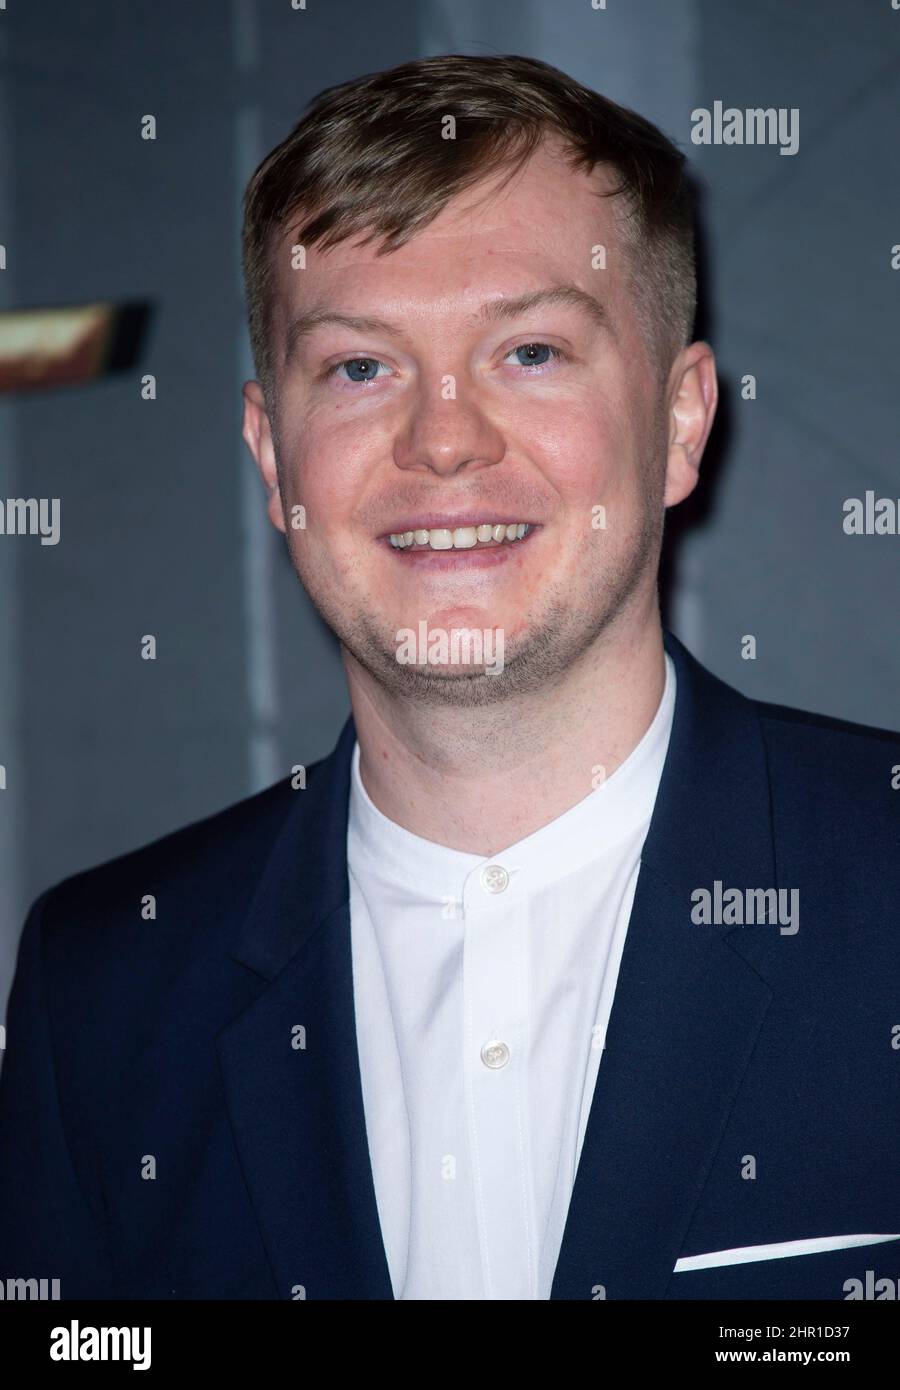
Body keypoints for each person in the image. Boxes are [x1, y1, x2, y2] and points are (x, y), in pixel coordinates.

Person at [1, 53, 898, 1302]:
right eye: (361, 367)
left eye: (529, 350)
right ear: (274, 456)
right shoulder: (102, 993)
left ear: (681, 423)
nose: (443, 437)